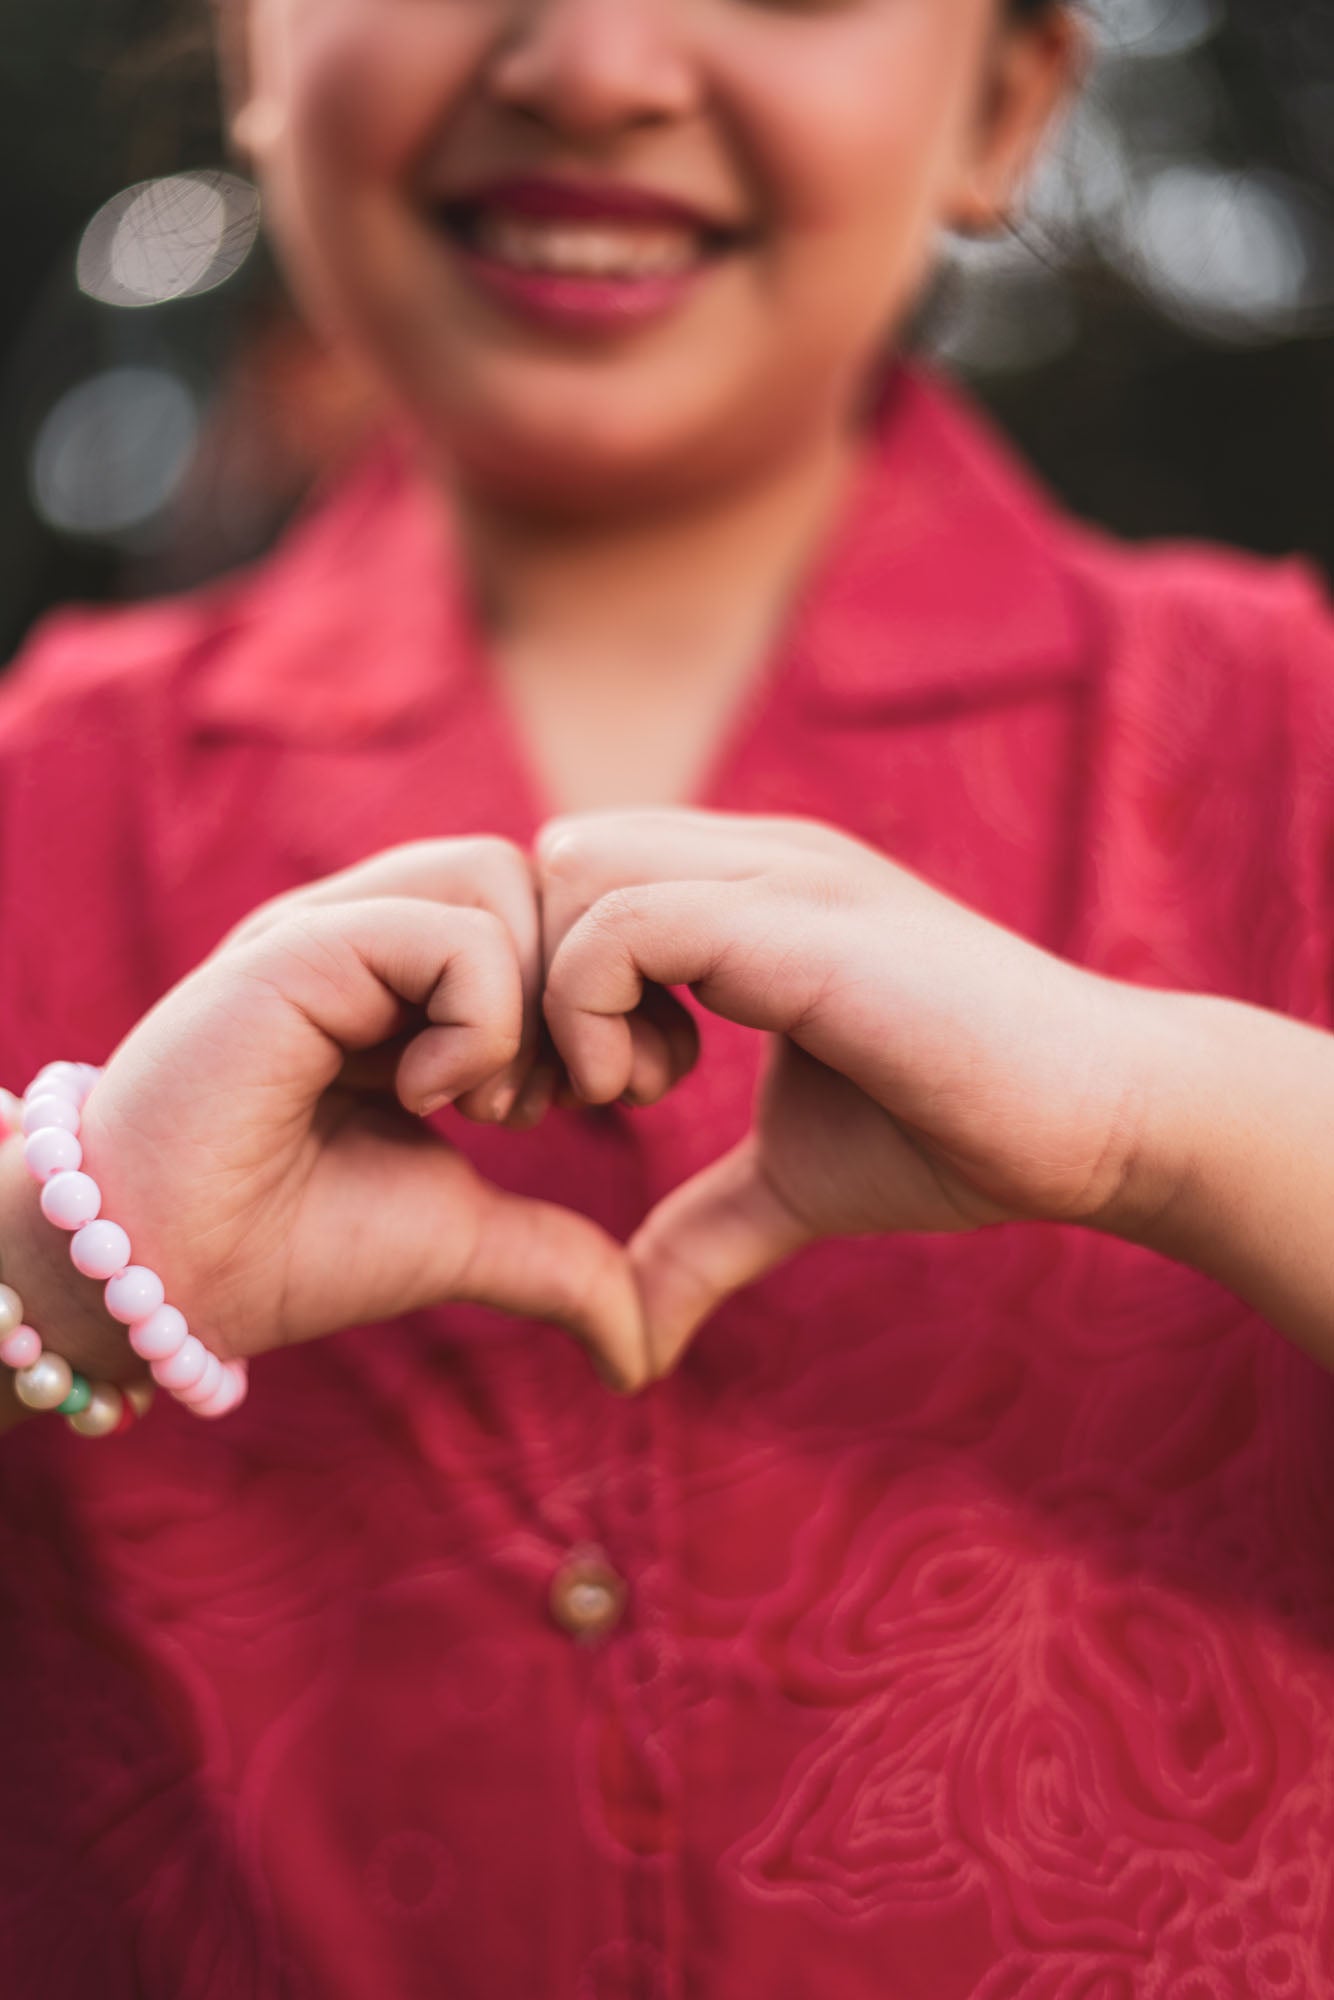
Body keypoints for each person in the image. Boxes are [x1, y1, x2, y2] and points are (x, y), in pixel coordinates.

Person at [1, 0, 1332, 1993]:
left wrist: (1182, 1121)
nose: (601, 62)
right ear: (251, 48)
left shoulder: (1289, 745)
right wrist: (54, 1254)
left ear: (1007, 98)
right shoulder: (34, 796)